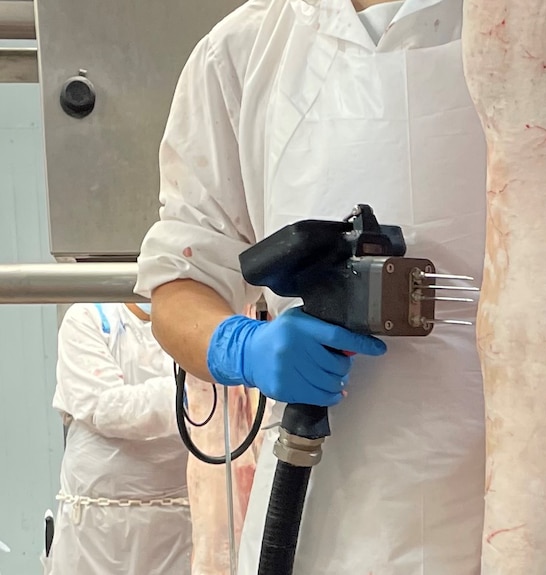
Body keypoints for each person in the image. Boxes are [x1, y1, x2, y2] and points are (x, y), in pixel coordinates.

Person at [134, 0, 487, 572]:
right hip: (322, 508)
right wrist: (241, 348)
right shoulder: (245, 50)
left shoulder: (541, 24)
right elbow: (178, 283)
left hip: (523, 499)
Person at [44, 303, 192, 575]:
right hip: (93, 532)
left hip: (178, 530)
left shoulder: (195, 327)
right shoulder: (87, 317)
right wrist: (192, 394)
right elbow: (106, 409)